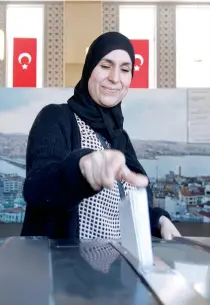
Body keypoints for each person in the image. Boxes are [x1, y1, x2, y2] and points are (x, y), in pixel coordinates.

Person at [21, 32, 181, 241]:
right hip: (65, 266)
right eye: (105, 66)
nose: (115, 78)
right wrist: (79, 169)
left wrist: (159, 219)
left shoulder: (120, 138)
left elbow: (127, 201)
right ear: (89, 69)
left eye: (125, 69)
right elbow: (37, 187)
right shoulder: (56, 117)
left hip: (115, 266)